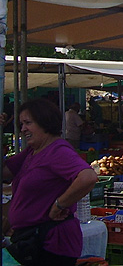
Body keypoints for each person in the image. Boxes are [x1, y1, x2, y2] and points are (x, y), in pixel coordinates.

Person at [1, 98, 98, 265]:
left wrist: (59, 205)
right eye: (21, 124)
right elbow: (4, 172)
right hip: (31, 241)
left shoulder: (57, 150)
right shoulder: (33, 151)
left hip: (51, 243)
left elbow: (88, 177)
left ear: (44, 122)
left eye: (27, 123)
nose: (23, 129)